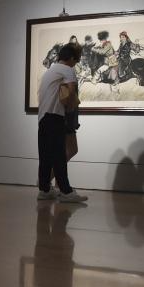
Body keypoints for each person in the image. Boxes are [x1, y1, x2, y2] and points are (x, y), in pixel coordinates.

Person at [37, 43, 88, 203]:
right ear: (71, 58)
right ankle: (66, 192)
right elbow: (71, 90)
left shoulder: (50, 71)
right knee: (59, 156)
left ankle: (44, 190)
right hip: (55, 116)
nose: (75, 64)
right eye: (76, 60)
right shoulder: (67, 69)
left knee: (45, 156)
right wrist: (71, 105)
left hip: (43, 117)